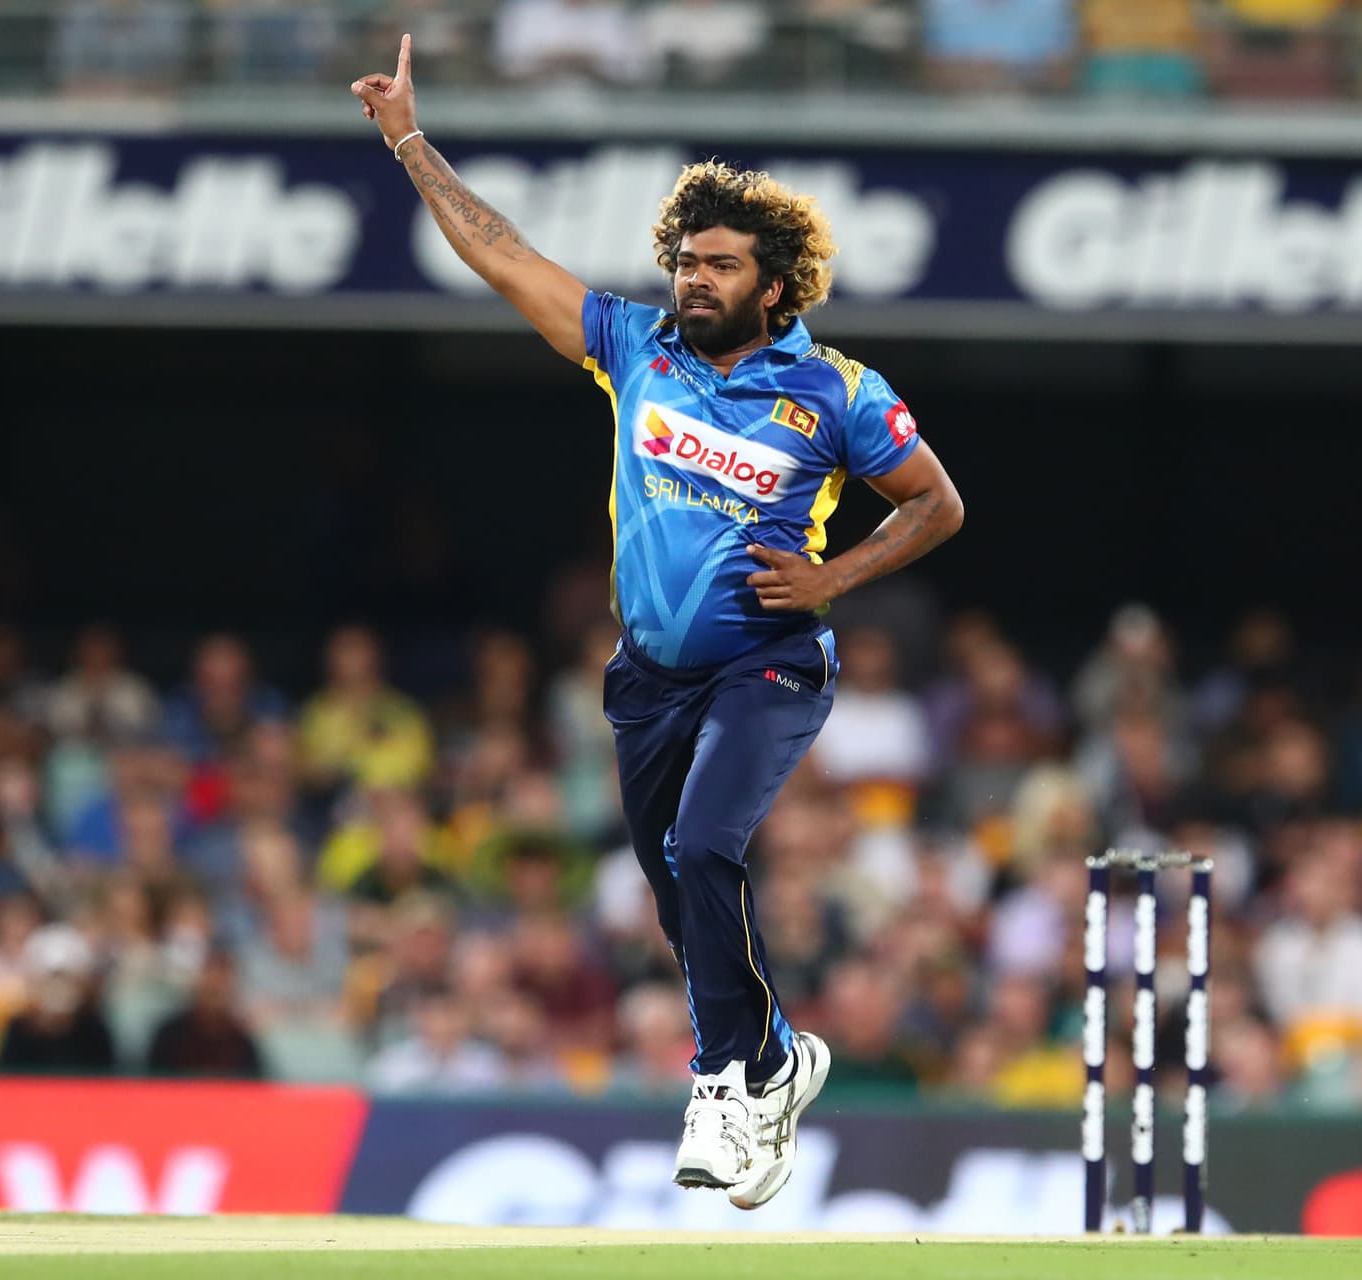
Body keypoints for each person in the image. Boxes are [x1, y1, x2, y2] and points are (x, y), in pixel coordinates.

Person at [352, 37, 963, 1207]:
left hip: (770, 665)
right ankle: (779, 1056)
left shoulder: (833, 390)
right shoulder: (635, 350)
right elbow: (504, 256)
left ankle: (727, 1079)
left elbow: (937, 501)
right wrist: (409, 143)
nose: (694, 280)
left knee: (704, 847)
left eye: (720, 267)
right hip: (646, 679)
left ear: (772, 285)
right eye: (685, 260)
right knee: (681, 892)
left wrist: (834, 581)